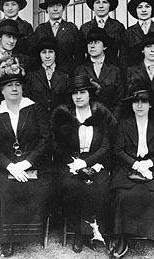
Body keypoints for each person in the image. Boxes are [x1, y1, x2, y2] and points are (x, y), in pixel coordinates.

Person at [0, 71, 53, 257]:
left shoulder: (34, 108)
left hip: (35, 163)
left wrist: (27, 162)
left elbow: (45, 139)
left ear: (23, 88)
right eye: (9, 85)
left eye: (17, 84)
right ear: (1, 91)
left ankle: (30, 235)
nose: (14, 88)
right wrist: (10, 166)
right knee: (5, 190)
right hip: (5, 166)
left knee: (35, 188)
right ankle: (7, 240)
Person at [51, 75, 116, 253]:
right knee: (73, 188)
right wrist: (74, 163)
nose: (78, 96)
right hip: (70, 162)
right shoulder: (63, 115)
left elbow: (105, 146)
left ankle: (95, 232)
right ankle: (79, 233)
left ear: (90, 95)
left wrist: (89, 163)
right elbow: (56, 145)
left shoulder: (100, 114)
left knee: (100, 188)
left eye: (82, 92)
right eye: (75, 93)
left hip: (96, 161)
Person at [110, 89, 154, 258]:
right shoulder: (123, 124)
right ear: (132, 105)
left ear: (151, 105)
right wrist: (136, 164)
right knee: (122, 195)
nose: (140, 105)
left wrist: (148, 164)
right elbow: (118, 150)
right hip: (127, 165)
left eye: (144, 102)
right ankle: (121, 237)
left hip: (153, 167)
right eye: (136, 102)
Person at [31, 0, 84, 74]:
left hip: (68, 74)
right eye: (51, 6)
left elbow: (79, 56)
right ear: (46, 10)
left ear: (63, 8)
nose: (55, 9)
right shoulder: (40, 29)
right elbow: (34, 56)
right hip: (45, 74)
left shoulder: (71, 28)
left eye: (59, 5)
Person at [75, 27, 123, 112]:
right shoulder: (79, 70)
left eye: (96, 42)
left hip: (110, 119)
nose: (92, 46)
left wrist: (113, 120)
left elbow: (120, 100)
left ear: (104, 46)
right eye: (90, 43)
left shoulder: (115, 71)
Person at [0, 19, 30, 107]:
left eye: (14, 37)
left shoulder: (23, 60)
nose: (12, 41)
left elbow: (27, 90)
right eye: (8, 36)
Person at [80, 0, 125, 66]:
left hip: (113, 70)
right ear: (93, 6)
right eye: (97, 2)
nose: (101, 6)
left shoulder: (118, 27)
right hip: (90, 70)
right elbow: (80, 54)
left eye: (104, 2)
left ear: (109, 5)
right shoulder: (85, 28)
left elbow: (123, 53)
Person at [25, 36, 69, 114]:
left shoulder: (65, 77)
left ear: (55, 54)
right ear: (39, 55)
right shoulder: (32, 76)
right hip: (38, 121)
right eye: (44, 52)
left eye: (51, 52)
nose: (47, 56)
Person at [121, 0, 154, 68]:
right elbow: (124, 59)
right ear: (135, 10)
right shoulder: (128, 32)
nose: (144, 10)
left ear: (152, 9)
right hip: (135, 75)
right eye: (139, 7)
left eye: (147, 6)